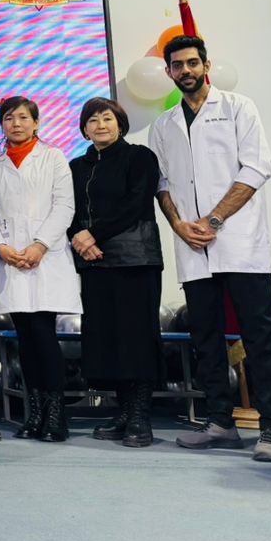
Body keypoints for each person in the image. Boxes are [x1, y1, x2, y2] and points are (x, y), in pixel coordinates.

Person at [148, 35, 271, 462]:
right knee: (205, 337)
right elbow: (162, 182)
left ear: (205, 66)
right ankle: (220, 422)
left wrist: (213, 220)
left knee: (258, 336)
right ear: (169, 72)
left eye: (192, 63)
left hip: (239, 241)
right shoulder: (163, 124)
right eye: (177, 65)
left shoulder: (238, 107)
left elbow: (257, 167)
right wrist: (178, 225)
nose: (185, 70)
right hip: (192, 246)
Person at [0, 96, 80, 443]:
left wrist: (40, 245)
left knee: (43, 335)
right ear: (2, 124)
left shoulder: (54, 157)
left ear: (36, 123)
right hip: (11, 258)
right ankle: (35, 413)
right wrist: (1, 247)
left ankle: (56, 416)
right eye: (9, 118)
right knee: (25, 338)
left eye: (24, 118)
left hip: (46, 257)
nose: (16, 124)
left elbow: (65, 206)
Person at [68, 97, 163, 448]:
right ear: (84, 129)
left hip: (135, 260)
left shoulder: (139, 157)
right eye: (92, 120)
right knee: (108, 339)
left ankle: (140, 415)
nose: (100, 125)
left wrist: (93, 234)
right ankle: (124, 410)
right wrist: (78, 237)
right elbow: (67, 209)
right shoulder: (76, 166)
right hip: (94, 262)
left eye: (107, 118)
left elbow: (136, 203)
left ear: (120, 124)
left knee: (137, 337)